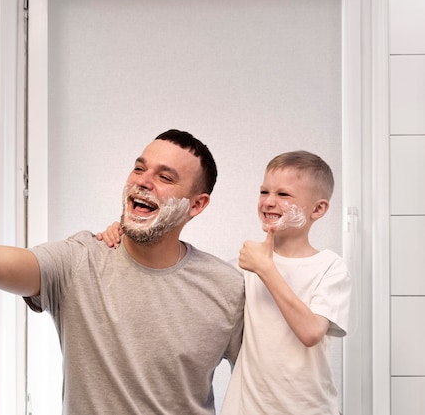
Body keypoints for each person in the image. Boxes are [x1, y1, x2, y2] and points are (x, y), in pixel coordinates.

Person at [0, 127, 245, 415]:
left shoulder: (226, 287)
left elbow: (268, 381)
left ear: (197, 204)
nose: (143, 182)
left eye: (164, 177)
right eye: (139, 168)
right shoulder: (78, 262)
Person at [98, 150, 351, 415]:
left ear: (318, 209)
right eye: (264, 192)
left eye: (283, 195)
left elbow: (311, 332)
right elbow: (184, 288)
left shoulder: (329, 267)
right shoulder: (240, 269)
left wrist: (266, 269)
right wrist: (127, 233)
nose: (269, 202)